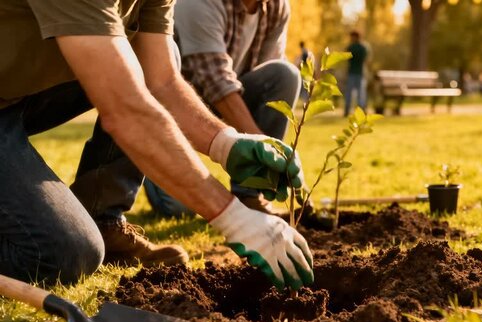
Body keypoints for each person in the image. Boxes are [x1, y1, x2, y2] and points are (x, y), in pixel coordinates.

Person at [0, 0, 314, 292]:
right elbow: (127, 110)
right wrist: (234, 217)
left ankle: (103, 219)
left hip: (15, 96)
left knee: (148, 56)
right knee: (61, 254)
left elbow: (161, 81)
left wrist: (226, 144)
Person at [142, 0, 302, 217]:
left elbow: (266, 71)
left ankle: (250, 193)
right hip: (177, 107)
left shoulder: (276, 7)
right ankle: (151, 170)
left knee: (284, 75)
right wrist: (267, 151)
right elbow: (215, 81)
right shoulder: (199, 3)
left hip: (228, 98)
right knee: (180, 209)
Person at [344, 30, 369, 117]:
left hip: (354, 73)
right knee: (360, 94)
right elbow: (365, 59)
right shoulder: (363, 48)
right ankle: (361, 111)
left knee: (350, 93)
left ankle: (347, 110)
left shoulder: (350, 47)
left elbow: (347, 58)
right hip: (359, 73)